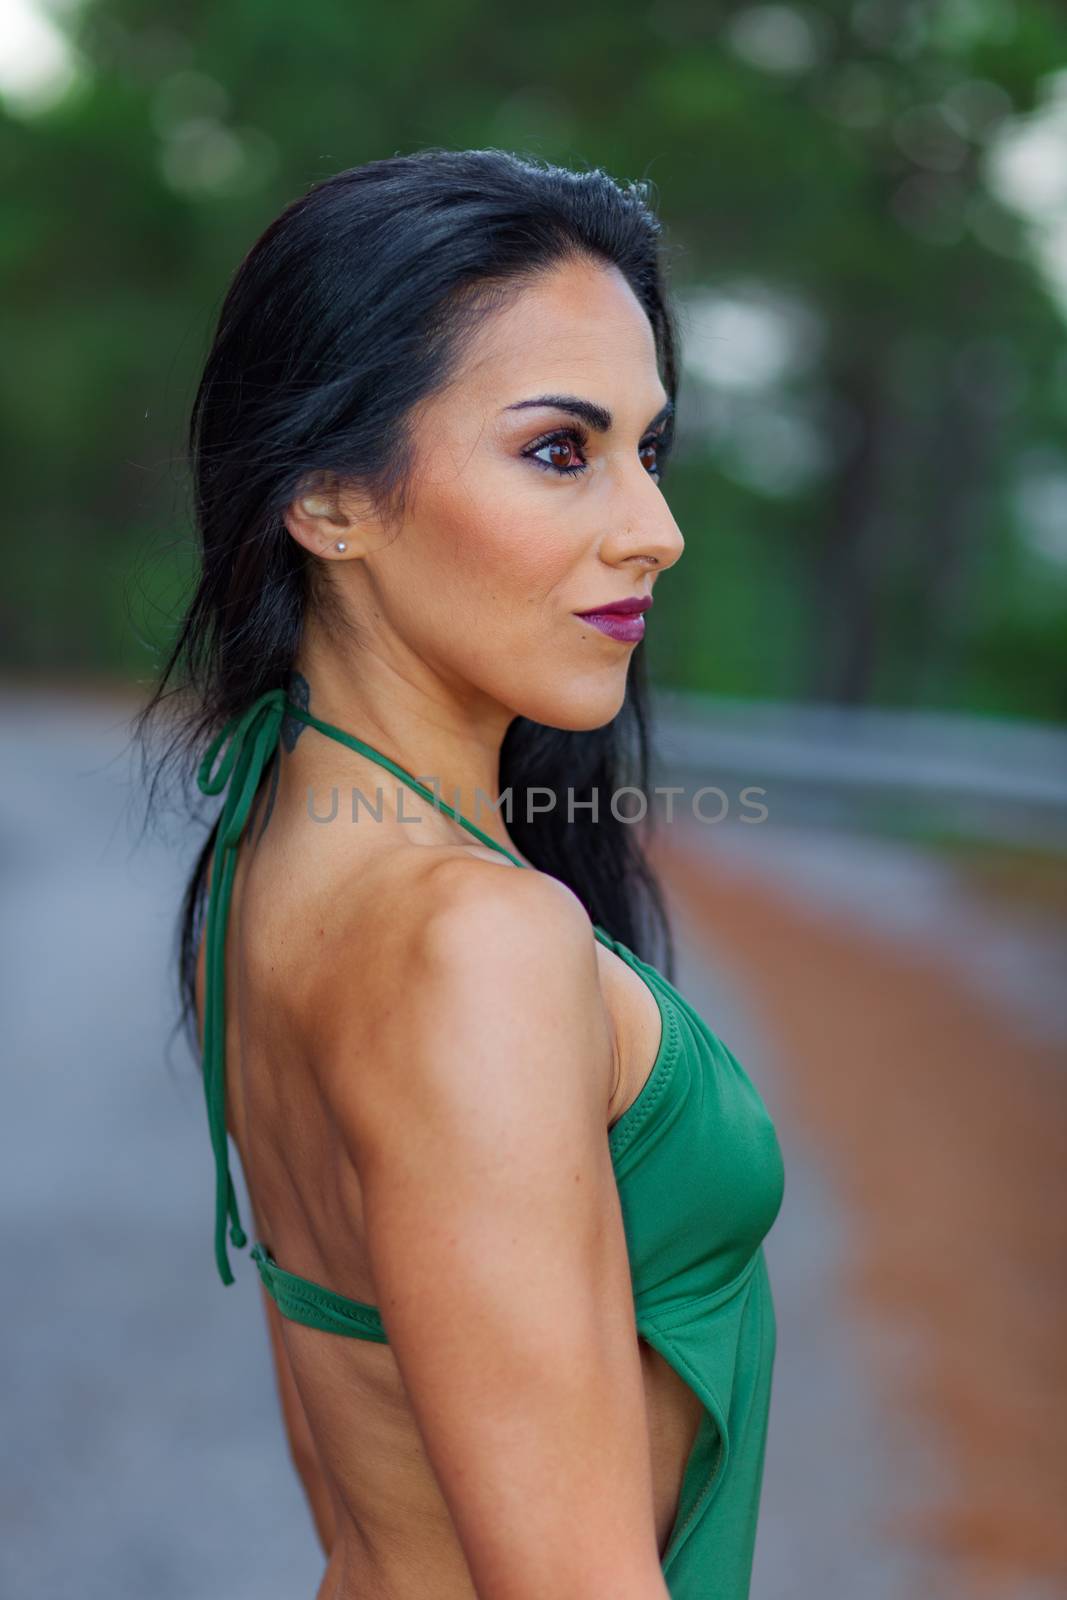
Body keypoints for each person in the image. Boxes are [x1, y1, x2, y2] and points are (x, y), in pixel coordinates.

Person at [136, 147, 785, 1600]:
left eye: (648, 448)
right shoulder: (473, 944)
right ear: (330, 502)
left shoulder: (269, 849)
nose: (656, 530)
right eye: (562, 449)